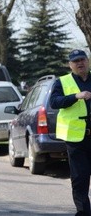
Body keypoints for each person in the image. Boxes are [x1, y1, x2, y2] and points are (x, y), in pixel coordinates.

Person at [50, 49, 91, 216]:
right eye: (76, 61)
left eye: (82, 59)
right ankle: (83, 212)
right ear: (70, 65)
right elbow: (54, 102)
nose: (80, 63)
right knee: (80, 178)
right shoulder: (62, 82)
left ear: (88, 61)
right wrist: (75, 96)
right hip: (76, 139)